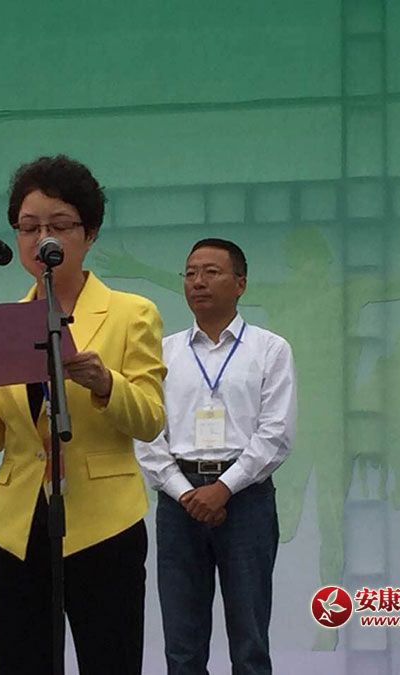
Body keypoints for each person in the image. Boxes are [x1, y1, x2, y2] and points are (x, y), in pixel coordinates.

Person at [0, 155, 166, 674]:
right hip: (16, 525)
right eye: (29, 227)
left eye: (59, 225)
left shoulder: (132, 313)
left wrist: (106, 383)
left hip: (103, 522)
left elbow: (151, 418)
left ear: (89, 234)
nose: (42, 238)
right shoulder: (3, 323)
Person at [135, 239, 297, 675]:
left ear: (240, 284)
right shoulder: (162, 352)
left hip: (245, 499)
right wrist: (185, 493)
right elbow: (147, 431)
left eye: (211, 272)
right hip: (179, 503)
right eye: (190, 273)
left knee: (250, 642)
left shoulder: (270, 349)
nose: (198, 282)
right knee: (182, 645)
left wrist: (224, 488)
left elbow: (276, 433)